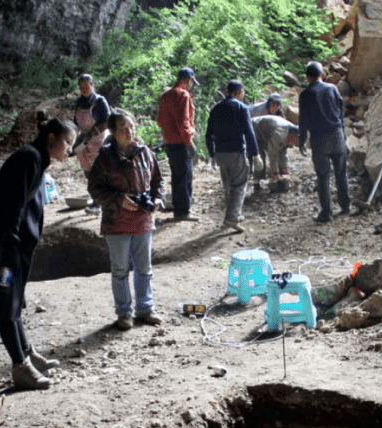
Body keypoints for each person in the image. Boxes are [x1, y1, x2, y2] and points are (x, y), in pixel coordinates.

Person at [0, 117, 76, 390]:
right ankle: (20, 367)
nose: (69, 150)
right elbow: (13, 207)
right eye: (67, 142)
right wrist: (10, 249)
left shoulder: (37, 159)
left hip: (13, 247)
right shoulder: (29, 158)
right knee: (5, 303)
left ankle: (26, 352)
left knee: (13, 301)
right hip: (6, 249)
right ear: (51, 137)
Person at [87, 109, 165, 330]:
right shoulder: (105, 158)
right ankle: (124, 313)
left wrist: (158, 199)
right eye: (123, 128)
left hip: (143, 220)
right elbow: (94, 188)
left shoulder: (145, 152)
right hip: (116, 222)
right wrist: (119, 200)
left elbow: (158, 181)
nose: (129, 131)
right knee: (120, 270)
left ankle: (145, 309)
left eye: (131, 127)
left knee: (144, 268)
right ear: (112, 131)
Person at [298, 61, 350, 223]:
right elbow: (340, 111)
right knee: (341, 172)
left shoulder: (305, 94)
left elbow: (303, 121)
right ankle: (345, 206)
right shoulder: (333, 88)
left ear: (308, 77)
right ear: (322, 75)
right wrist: (342, 131)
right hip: (337, 134)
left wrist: (302, 140)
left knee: (323, 176)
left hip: (319, 138)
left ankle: (326, 213)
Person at [205, 80, 258, 233]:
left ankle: (234, 214)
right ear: (239, 92)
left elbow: (209, 134)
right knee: (240, 185)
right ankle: (232, 219)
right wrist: (255, 154)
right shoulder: (241, 107)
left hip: (220, 153)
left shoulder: (216, 108)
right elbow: (249, 132)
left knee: (228, 185)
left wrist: (212, 153)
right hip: (236, 152)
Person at [156, 67, 200, 222]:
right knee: (185, 177)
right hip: (181, 142)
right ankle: (183, 212)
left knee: (176, 176)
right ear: (187, 80)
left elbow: (160, 121)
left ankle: (177, 209)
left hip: (170, 143)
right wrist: (190, 143)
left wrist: (166, 138)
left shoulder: (165, 95)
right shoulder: (183, 95)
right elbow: (184, 123)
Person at [72, 73, 111, 213]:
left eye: (86, 86)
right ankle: (95, 198)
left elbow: (107, 121)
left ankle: (99, 202)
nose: (84, 89)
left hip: (98, 139)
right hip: (84, 140)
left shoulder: (100, 101)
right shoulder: (79, 102)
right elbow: (75, 122)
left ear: (92, 85)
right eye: (81, 87)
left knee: (98, 171)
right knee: (88, 171)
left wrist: (91, 133)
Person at [253, 115, 299, 191]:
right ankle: (256, 184)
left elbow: (283, 154)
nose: (293, 146)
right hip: (255, 130)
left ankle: (280, 180)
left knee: (280, 156)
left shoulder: (290, 132)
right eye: (294, 143)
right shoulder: (279, 135)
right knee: (260, 158)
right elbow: (272, 155)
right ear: (293, 136)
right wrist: (275, 174)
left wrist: (285, 172)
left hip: (266, 132)